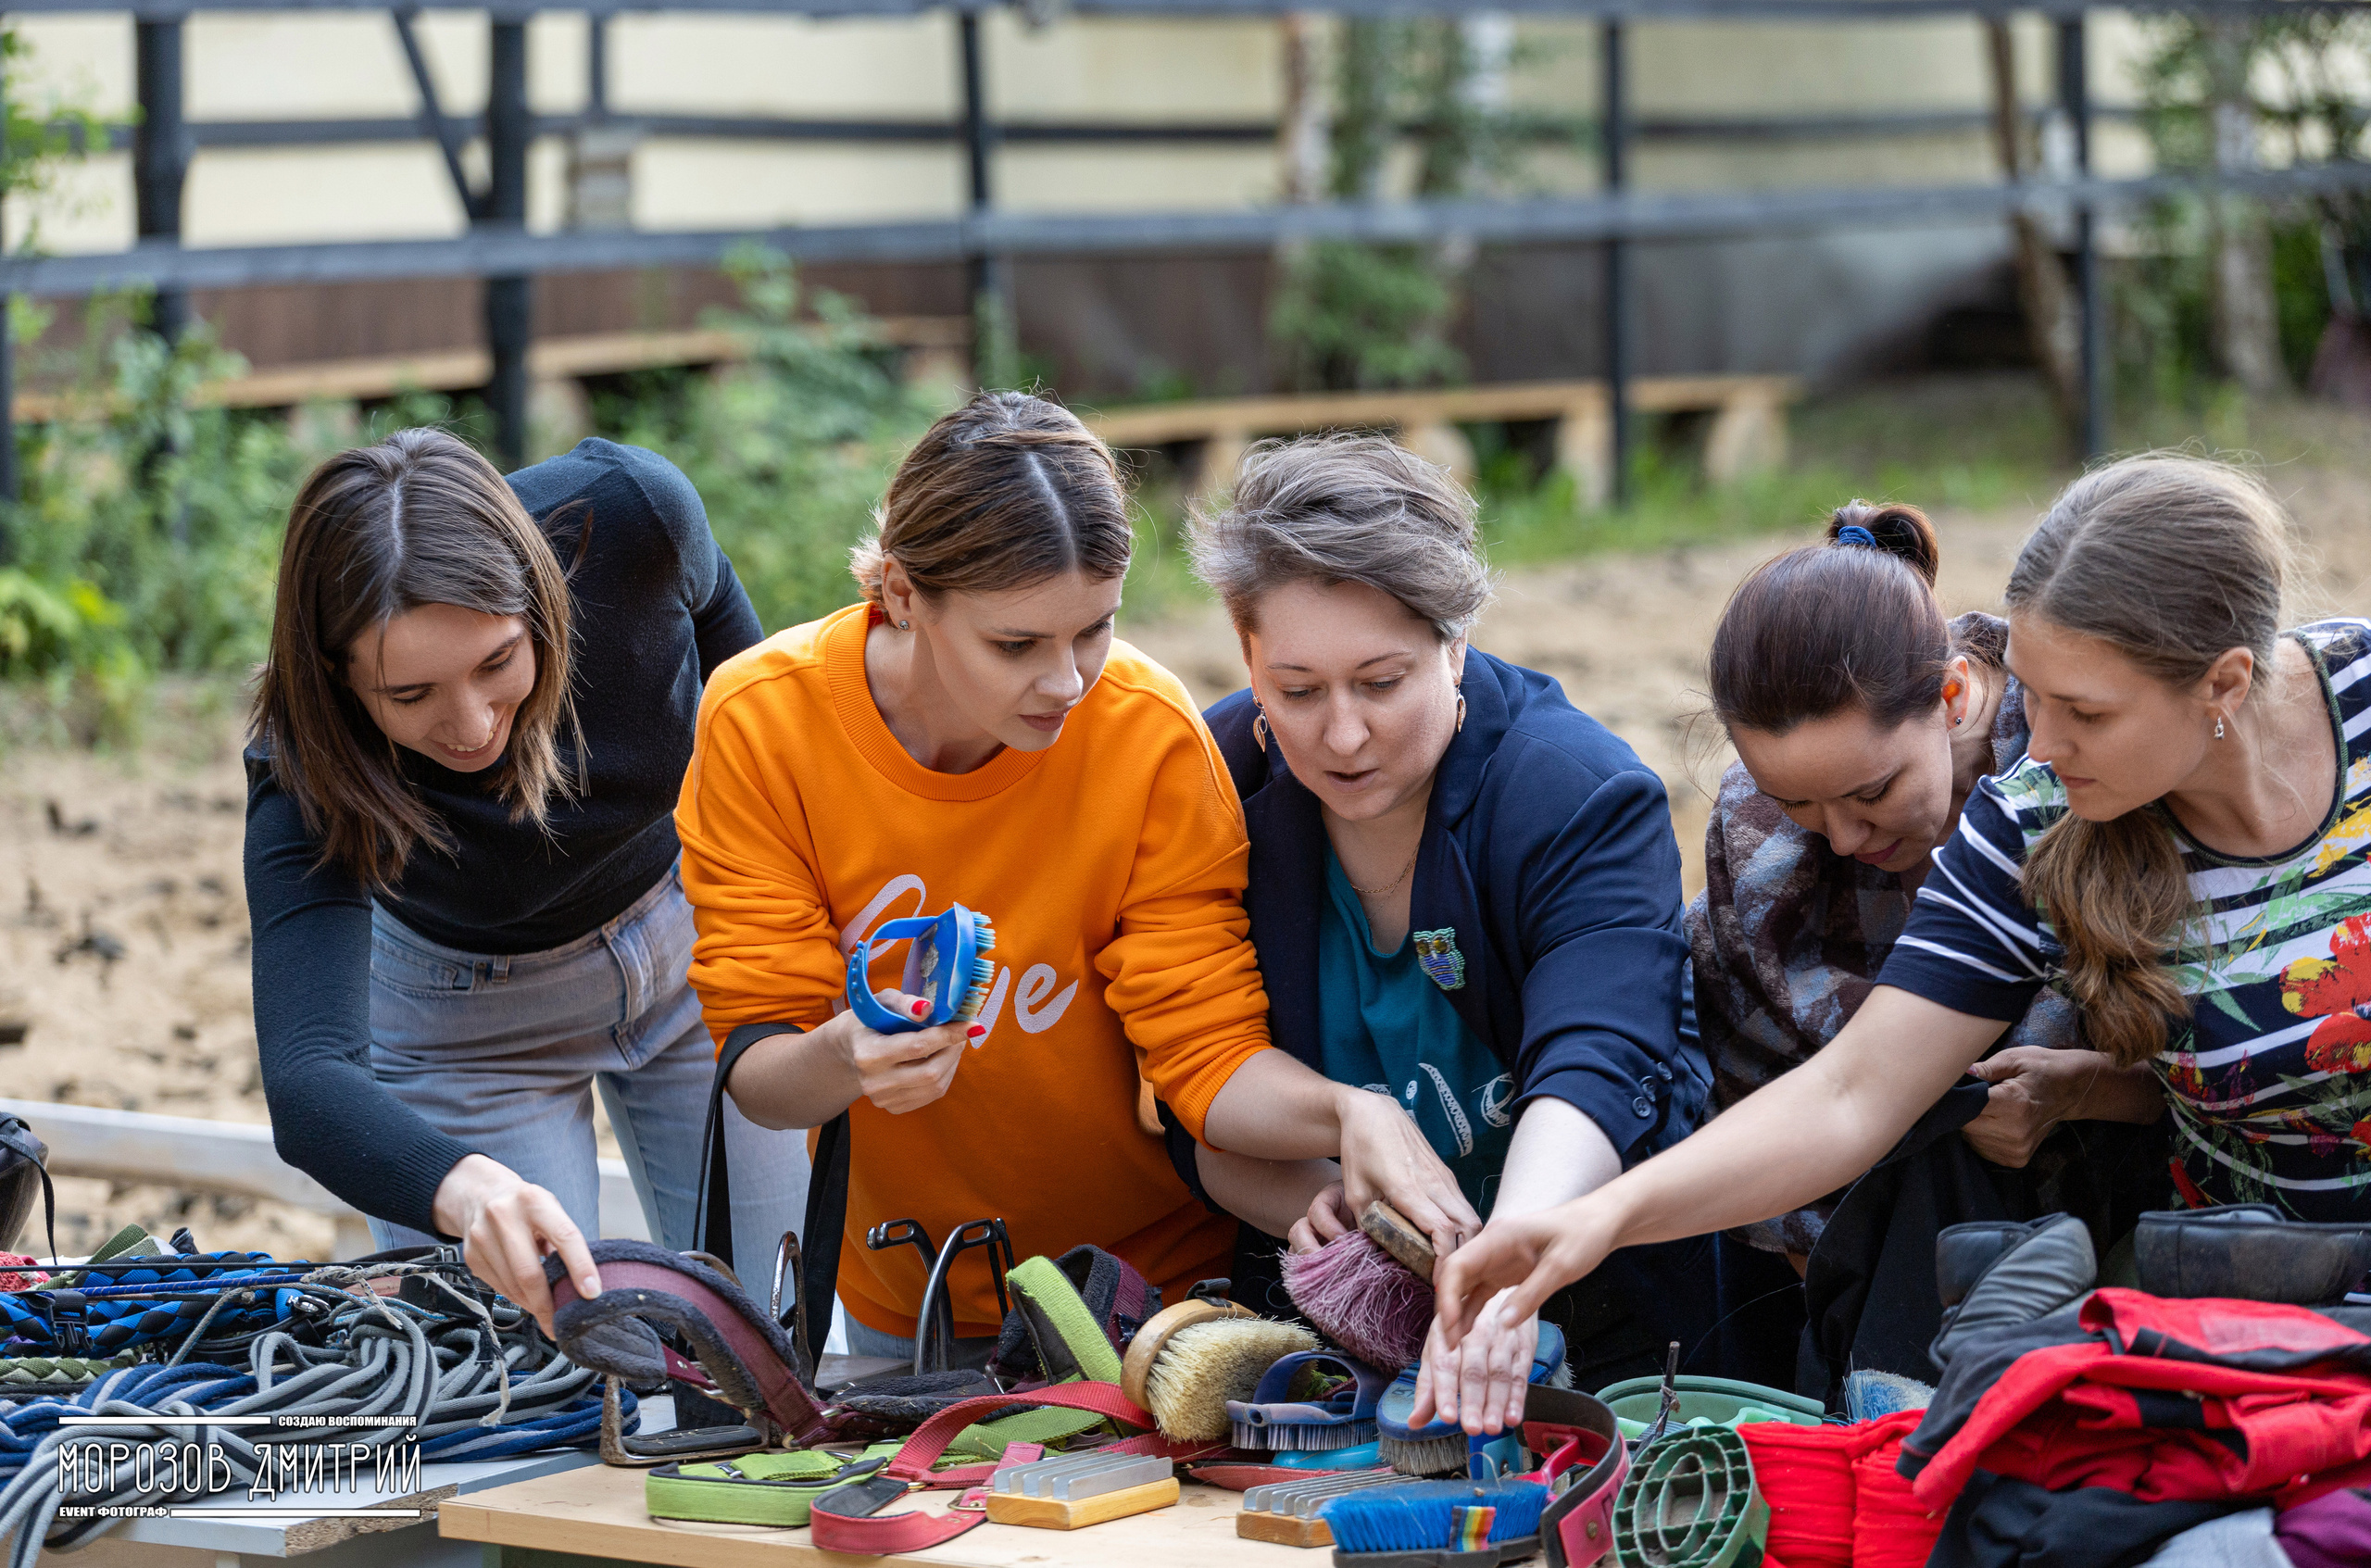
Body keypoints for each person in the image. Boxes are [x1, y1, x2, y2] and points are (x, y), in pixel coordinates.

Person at [1426, 453, 2369, 1429]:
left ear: (2223, 683)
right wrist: (1593, 1218)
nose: (2040, 742)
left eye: (2084, 712)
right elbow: (1851, 1093)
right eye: (2032, 695)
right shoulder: (2031, 821)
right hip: (2256, 1318)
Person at [675, 393, 1473, 1366]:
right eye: (1016, 645)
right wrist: (847, 1056)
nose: (1066, 681)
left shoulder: (1148, 734)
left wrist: (1349, 1111)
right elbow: (760, 1068)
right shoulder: (763, 719)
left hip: (1152, 1294)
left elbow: (1203, 1051)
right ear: (902, 593)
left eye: (1094, 629)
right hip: (910, 1293)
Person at [1177, 433, 1717, 1397]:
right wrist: (1309, 1194)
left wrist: (1509, 1258)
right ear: (1246, 655)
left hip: (1612, 1323)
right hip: (1326, 1351)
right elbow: (1186, 1086)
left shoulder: (1577, 794)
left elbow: (1600, 1057)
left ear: (1455, 644)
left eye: (1382, 683)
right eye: (1296, 690)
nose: (1342, 734)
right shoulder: (1209, 789)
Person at [245, 428, 805, 1331]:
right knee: (532, 1372)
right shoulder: (305, 762)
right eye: (410, 695)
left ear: (540, 598)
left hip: (696, 948)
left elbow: (771, 732)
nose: (471, 726)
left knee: (774, 1334)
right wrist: (463, 1187)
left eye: (497, 661)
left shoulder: (633, 522)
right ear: (340, 678)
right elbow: (309, 1081)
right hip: (467, 1031)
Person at [1687, 499, 2155, 1389]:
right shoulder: (1756, 845)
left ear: (1952, 695)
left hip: (2129, 1214)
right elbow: (1761, 1102)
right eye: (1797, 802)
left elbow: (2230, 1063)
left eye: (1872, 793)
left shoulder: (2086, 775)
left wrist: (2084, 1091)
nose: (1843, 836)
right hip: (1868, 1245)